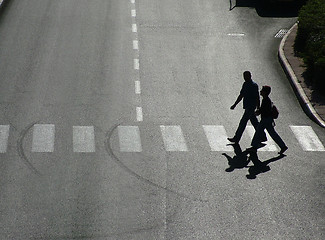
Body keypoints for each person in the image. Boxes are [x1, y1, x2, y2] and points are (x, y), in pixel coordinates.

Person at [228, 71, 267, 144]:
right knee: (255, 123)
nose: (245, 78)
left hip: (250, 107)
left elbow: (257, 97)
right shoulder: (245, 84)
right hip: (247, 107)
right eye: (244, 76)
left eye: (246, 76)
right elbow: (241, 95)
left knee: (242, 123)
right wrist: (235, 104)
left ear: (250, 76)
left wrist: (258, 107)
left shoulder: (254, 85)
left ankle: (236, 138)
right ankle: (263, 136)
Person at [247, 85, 288, 155]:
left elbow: (264, 110)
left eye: (262, 90)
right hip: (267, 119)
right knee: (272, 133)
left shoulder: (266, 100)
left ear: (265, 92)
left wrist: (257, 112)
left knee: (258, 132)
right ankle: (283, 146)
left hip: (266, 120)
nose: (260, 91)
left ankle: (254, 147)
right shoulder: (266, 100)